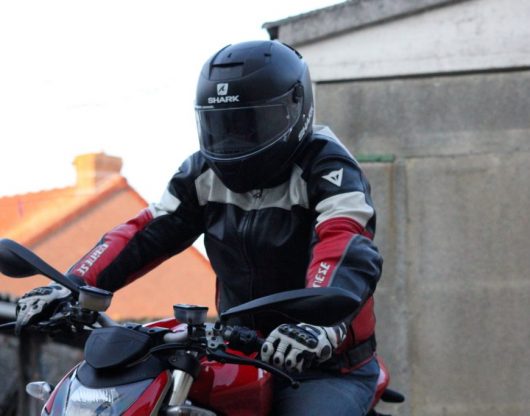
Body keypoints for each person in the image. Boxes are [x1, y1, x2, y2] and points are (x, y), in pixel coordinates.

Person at [16, 40, 382, 415]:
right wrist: (73, 285)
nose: (235, 138)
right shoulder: (203, 173)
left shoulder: (329, 168)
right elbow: (146, 232)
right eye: (222, 125)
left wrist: (318, 323)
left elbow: (343, 244)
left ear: (296, 109)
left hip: (324, 364)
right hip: (237, 350)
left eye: (251, 124)